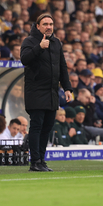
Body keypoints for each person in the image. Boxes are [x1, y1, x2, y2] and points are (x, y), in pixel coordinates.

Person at [20, 13, 73, 172]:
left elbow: (62, 67)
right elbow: (24, 59)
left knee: (47, 127)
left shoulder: (56, 43)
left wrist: (67, 88)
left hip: (51, 92)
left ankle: (41, 161)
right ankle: (34, 161)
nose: (49, 26)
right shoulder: (29, 41)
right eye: (45, 24)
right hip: (35, 91)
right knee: (36, 126)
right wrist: (39, 48)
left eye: (51, 24)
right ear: (38, 26)